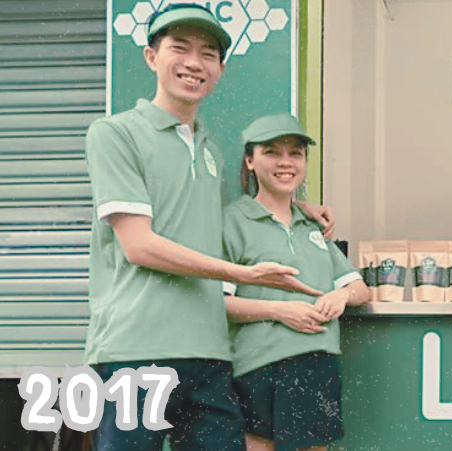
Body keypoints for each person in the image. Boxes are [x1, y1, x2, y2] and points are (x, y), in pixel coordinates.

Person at [85, 4, 334, 450]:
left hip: (210, 354)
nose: (194, 63)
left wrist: (295, 206)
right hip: (135, 350)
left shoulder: (210, 151)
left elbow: (214, 223)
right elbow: (139, 245)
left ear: (220, 70)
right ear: (151, 57)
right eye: (179, 48)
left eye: (208, 54)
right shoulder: (115, 134)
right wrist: (240, 273)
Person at [221, 113, 371, 451]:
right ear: (250, 161)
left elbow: (359, 288)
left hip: (317, 362)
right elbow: (219, 303)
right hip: (259, 365)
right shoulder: (232, 221)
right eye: (272, 152)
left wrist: (340, 296)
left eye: (295, 153)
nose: (286, 162)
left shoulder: (311, 225)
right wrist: (281, 311)